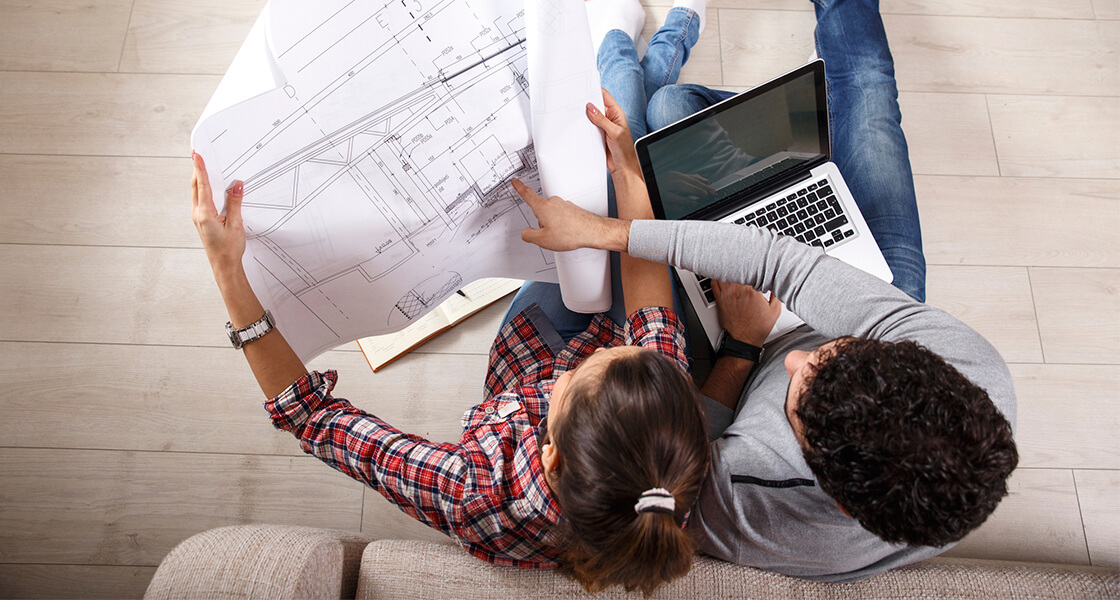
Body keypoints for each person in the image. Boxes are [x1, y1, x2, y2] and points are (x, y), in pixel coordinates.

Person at [189, 4, 718, 594]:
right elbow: (649, 319)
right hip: (589, 385)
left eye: (588, 369)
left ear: (548, 456)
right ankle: (658, 43)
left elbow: (311, 417)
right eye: (630, 352)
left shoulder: (472, 489)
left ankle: (647, 35)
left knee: (622, 96)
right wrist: (627, 177)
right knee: (623, 144)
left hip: (530, 352)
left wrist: (229, 271)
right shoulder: (667, 438)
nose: (614, 344)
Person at [511, 0, 1019, 584]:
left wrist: (745, 347)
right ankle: (790, 125)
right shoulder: (975, 377)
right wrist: (606, 232)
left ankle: (743, 118)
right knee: (867, 91)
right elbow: (786, 265)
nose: (800, 354)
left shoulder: (751, 510)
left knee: (662, 118)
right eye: (837, 351)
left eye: (798, 391)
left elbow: (671, 431)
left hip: (739, 343)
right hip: (881, 290)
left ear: (840, 499)